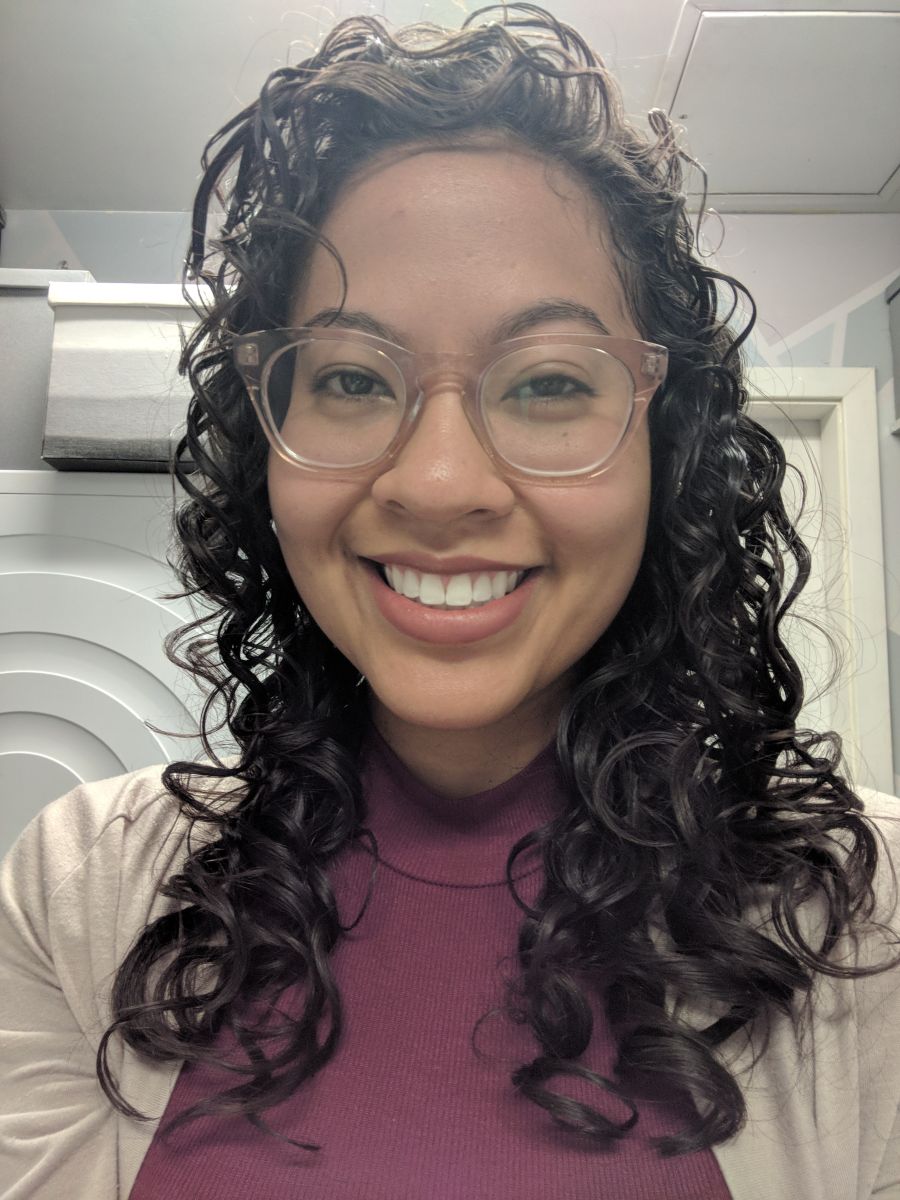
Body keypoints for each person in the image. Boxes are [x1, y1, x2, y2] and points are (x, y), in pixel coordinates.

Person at [2, 4, 899, 1198]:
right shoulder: (75, 896)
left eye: (545, 384)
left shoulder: (870, 930)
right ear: (264, 436)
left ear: (663, 443)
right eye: (354, 377)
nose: (437, 484)